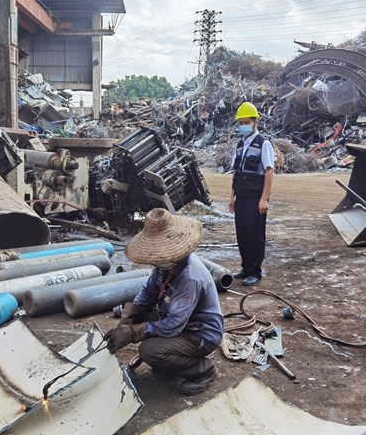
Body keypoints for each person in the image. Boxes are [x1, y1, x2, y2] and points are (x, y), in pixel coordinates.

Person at [103, 208, 224, 396]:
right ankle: (171, 360)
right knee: (142, 315)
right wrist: (126, 322)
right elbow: (147, 294)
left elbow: (173, 325)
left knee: (149, 351)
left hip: (201, 334)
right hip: (181, 321)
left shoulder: (190, 278)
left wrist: (134, 333)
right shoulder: (166, 266)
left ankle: (204, 369)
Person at [229, 101, 274, 286]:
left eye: (246, 122)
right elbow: (235, 172)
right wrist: (232, 197)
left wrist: (264, 199)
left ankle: (255, 272)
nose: (243, 126)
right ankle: (246, 267)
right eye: (240, 123)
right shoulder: (240, 145)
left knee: (255, 234)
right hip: (241, 196)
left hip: (256, 197)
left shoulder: (264, 144)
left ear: (255, 122)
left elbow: (269, 172)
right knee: (243, 234)